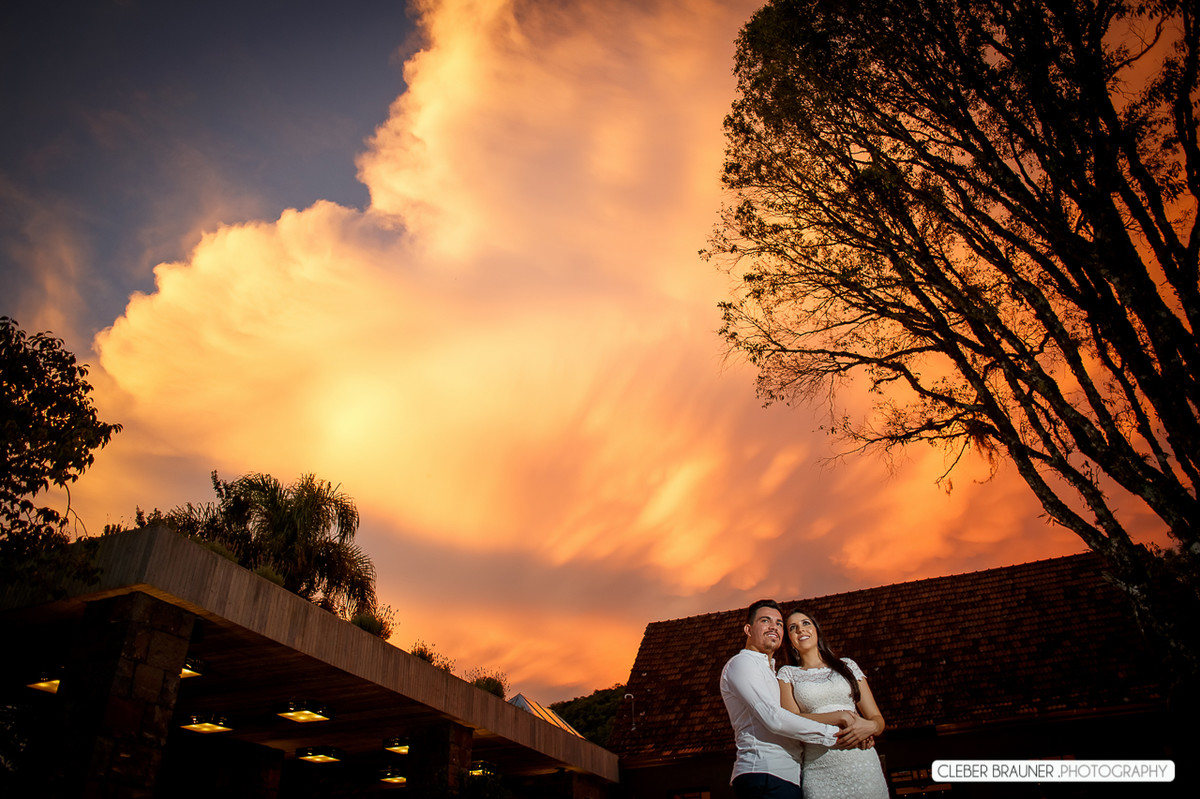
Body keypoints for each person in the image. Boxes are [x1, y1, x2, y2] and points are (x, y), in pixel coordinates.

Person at [721, 600, 860, 799]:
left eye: (779, 623)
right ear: (748, 629)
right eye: (765, 621)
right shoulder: (742, 664)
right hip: (765, 774)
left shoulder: (772, 672)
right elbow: (774, 718)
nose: (773, 627)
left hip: (789, 776)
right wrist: (839, 735)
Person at [777, 610, 889, 799]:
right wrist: (840, 716)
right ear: (789, 641)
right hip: (820, 769)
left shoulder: (847, 666)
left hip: (862, 765)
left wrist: (869, 727)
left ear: (816, 630)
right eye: (792, 628)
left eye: (806, 623)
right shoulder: (787, 674)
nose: (800, 630)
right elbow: (790, 720)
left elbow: (877, 720)